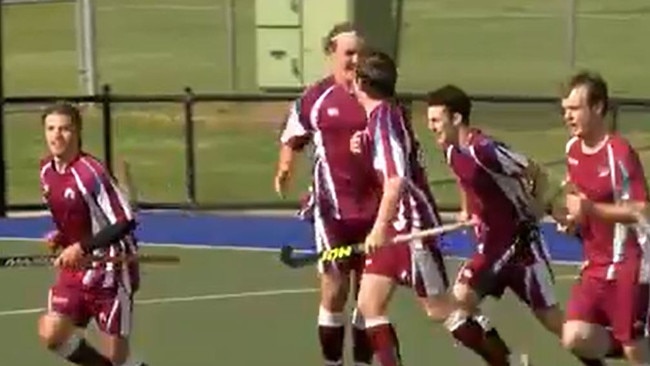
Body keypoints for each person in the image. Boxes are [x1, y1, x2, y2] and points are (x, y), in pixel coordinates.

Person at [350, 49, 518, 366]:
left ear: (361, 82)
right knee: (369, 305)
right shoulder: (381, 119)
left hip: (412, 227)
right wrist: (364, 141)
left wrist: (378, 229)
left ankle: (502, 361)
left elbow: (396, 180)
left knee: (441, 309)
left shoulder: (384, 120)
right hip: (397, 224)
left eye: (354, 73)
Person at [426, 84, 607, 366]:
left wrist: (540, 206)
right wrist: (466, 209)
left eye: (436, 120)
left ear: (457, 118)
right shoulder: (452, 152)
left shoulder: (484, 150)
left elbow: (533, 171)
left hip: (521, 249)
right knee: (456, 309)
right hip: (489, 249)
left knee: (557, 325)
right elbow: (465, 181)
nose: (431, 127)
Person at [273, 22, 374, 366]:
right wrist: (285, 167)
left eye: (361, 53)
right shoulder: (316, 98)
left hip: (375, 214)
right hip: (332, 214)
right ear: (332, 55)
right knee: (334, 292)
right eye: (349, 53)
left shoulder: (379, 97)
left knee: (369, 299)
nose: (355, 60)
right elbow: (291, 135)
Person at [37, 102, 146, 366]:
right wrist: (61, 237)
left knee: (117, 360)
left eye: (64, 129)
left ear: (77, 132)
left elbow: (125, 221)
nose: (56, 135)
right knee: (51, 332)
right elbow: (78, 219)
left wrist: (81, 247)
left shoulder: (90, 172)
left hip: (110, 268)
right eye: (51, 129)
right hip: (76, 269)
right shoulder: (47, 172)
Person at [560, 71, 650, 365]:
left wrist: (591, 210)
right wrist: (572, 221)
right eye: (565, 110)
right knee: (574, 336)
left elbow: (641, 210)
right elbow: (578, 201)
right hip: (594, 265)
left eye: (575, 109)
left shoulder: (619, 153)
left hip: (630, 265)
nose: (568, 117)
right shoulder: (572, 149)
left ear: (597, 108)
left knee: (634, 348)